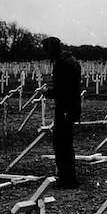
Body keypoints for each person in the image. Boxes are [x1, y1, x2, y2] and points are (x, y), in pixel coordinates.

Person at [42, 37, 82, 188]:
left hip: (65, 108)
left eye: (46, 50)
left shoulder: (61, 63)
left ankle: (67, 180)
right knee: (65, 143)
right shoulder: (71, 60)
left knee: (61, 144)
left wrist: (48, 92)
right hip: (71, 107)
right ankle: (68, 177)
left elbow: (63, 90)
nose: (46, 54)